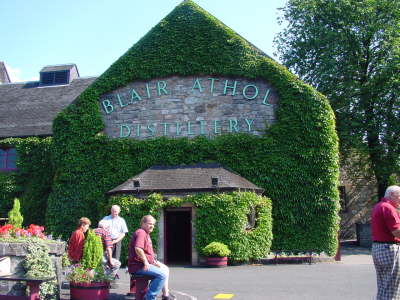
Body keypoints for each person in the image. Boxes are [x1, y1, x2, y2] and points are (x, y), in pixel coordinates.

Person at [128, 215, 176, 300]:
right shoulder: (141, 232)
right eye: (150, 224)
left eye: (153, 224)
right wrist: (146, 262)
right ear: (143, 223)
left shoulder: (146, 234)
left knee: (165, 269)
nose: (152, 226)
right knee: (162, 275)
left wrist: (153, 262)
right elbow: (138, 248)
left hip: (143, 264)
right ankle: (150, 297)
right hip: (138, 266)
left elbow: (147, 252)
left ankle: (165, 295)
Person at [371, 185, 400, 299]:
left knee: (383, 284)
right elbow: (397, 232)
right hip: (389, 249)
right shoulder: (388, 208)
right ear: (391, 195)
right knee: (392, 287)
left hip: (378, 248)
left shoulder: (378, 206)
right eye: (399, 196)